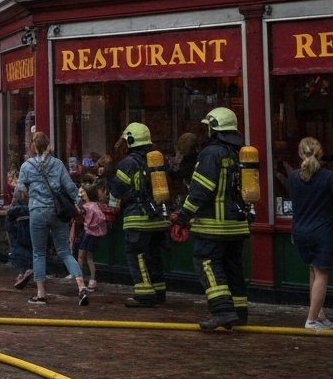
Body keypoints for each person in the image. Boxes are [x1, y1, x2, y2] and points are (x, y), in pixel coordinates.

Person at [176, 107, 251, 331]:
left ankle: (222, 311)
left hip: (214, 225)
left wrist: (184, 213)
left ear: (214, 128)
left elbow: (201, 189)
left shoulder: (211, 153)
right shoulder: (239, 153)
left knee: (206, 262)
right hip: (237, 225)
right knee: (232, 267)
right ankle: (239, 313)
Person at [17, 131, 90, 306]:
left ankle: (41, 294)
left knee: (39, 253)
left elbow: (21, 191)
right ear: (49, 145)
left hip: (38, 212)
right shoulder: (57, 164)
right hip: (58, 212)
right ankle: (81, 286)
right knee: (64, 251)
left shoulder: (26, 166)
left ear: (33, 147)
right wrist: (81, 203)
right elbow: (71, 188)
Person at [287, 137, 333, 332]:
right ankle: (311, 320)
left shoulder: (293, 177)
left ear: (300, 154)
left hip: (300, 230)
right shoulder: (329, 177)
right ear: (320, 153)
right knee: (321, 274)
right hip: (323, 231)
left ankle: (319, 315)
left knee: (312, 270)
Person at [113, 123, 170, 308]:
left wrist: (112, 205)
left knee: (136, 255)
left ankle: (144, 294)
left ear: (130, 140)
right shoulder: (157, 161)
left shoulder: (127, 163)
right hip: (159, 218)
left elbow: (116, 190)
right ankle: (159, 292)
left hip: (137, 219)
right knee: (154, 255)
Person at [76, 184, 107, 291]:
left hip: (88, 233)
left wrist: (88, 225)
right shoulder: (95, 205)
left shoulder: (87, 206)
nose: (80, 195)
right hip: (94, 234)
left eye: (82, 192)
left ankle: (80, 282)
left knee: (80, 257)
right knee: (89, 257)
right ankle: (92, 281)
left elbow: (81, 214)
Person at [6, 187, 33, 289]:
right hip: (33, 225)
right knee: (33, 250)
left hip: (19, 227)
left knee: (17, 251)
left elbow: (13, 205)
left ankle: (22, 273)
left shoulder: (20, 188)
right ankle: (29, 271)